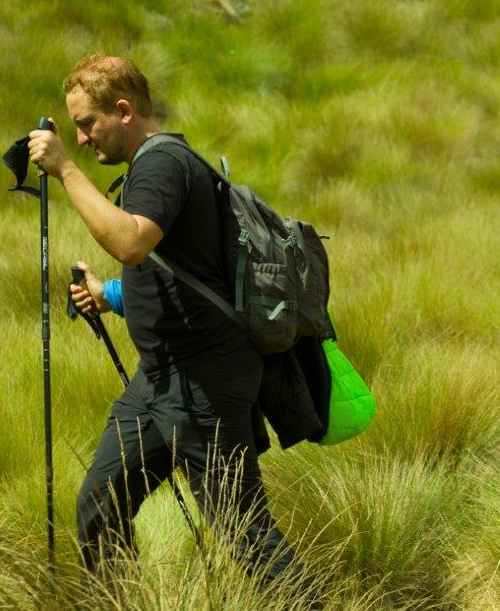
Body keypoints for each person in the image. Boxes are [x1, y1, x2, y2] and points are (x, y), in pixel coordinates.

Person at [27, 53, 304, 585]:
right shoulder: (153, 168)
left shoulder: (162, 162)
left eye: (87, 124)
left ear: (124, 110)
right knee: (100, 507)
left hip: (203, 380)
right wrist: (107, 295)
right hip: (159, 380)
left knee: (245, 534)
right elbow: (177, 274)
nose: (82, 139)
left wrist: (64, 169)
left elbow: (132, 242)